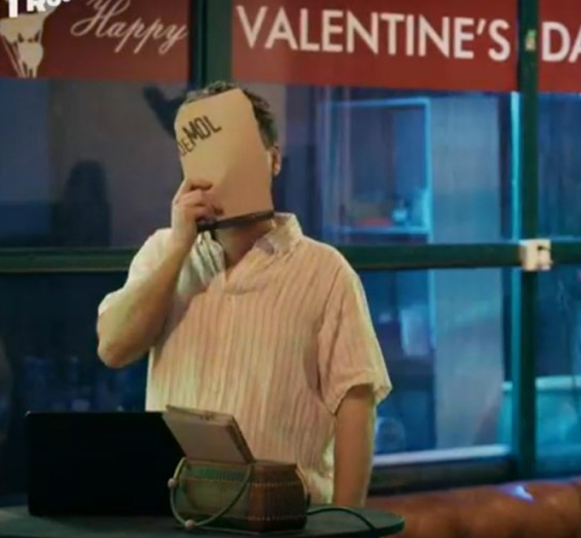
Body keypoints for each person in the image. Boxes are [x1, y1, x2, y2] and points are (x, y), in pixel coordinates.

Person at [96, 81, 391, 508]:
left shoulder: (326, 272)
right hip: (178, 514)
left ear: (274, 160)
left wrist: (346, 523)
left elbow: (356, 403)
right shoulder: (162, 252)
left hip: (285, 518)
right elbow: (114, 348)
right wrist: (179, 247)